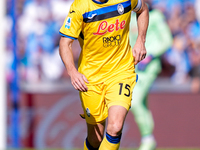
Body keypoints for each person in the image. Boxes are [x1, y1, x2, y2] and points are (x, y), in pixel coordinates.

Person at [59, 0, 149, 149]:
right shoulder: (81, 6)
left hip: (121, 72)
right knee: (96, 138)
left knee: (115, 127)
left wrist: (141, 39)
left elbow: (143, 9)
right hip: (91, 78)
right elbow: (65, 43)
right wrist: (72, 72)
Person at [129, 0, 173, 149]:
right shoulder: (129, 16)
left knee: (134, 101)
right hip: (133, 66)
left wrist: (151, 55)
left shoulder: (156, 16)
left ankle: (148, 139)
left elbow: (167, 40)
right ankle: (148, 139)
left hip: (148, 67)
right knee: (142, 103)